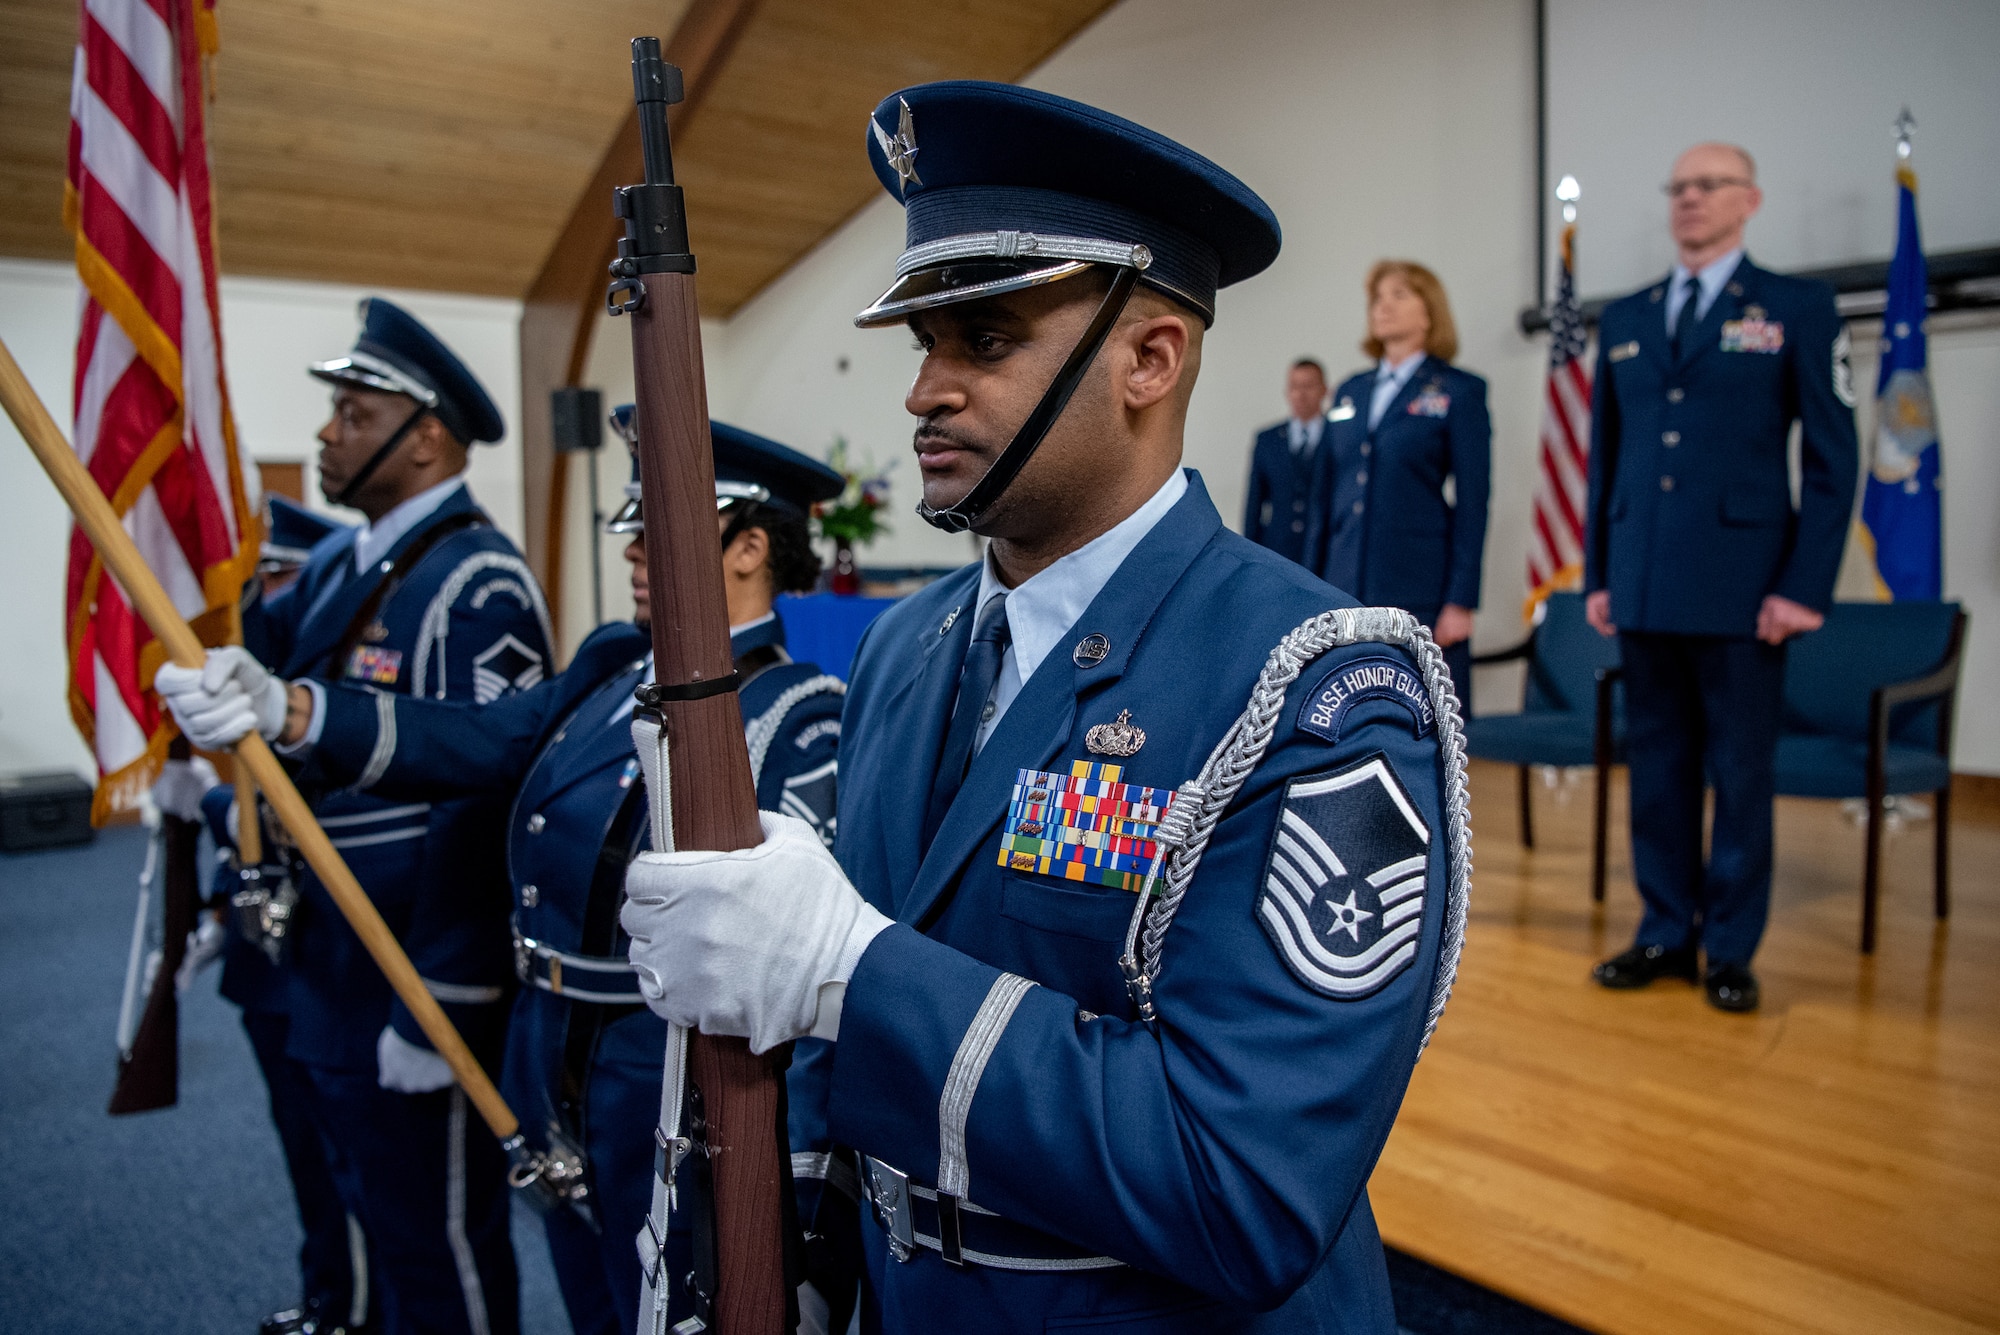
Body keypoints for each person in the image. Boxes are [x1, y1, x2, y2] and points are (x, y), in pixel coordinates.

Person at [615, 81, 1470, 1334]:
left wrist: (852, 971)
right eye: (924, 346)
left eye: (987, 341)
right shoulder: (908, 648)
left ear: (1149, 357)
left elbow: (1241, 1189)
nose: (924, 392)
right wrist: (797, 1245)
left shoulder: (1317, 685)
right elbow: (817, 1036)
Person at [166, 417, 852, 1335]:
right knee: (587, 1291)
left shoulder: (798, 716)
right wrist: (290, 706)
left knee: (669, 1299)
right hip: (545, 1048)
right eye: (633, 524)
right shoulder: (613, 662)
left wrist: (808, 1220)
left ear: (751, 545)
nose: (635, 547)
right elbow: (482, 743)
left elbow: (803, 983)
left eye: (660, 525)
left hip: (665, 1074)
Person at [158, 298, 554, 1335]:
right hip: (323, 957)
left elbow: (489, 787)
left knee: (437, 1245)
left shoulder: (477, 578)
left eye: (353, 412)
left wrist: (449, 995)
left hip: (404, 965)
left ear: (425, 435)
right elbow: (243, 660)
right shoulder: (341, 560)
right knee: (363, 1208)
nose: (329, 432)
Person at [1584, 143, 1858, 1012]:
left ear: (1750, 200)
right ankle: (1665, 929)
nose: (1689, 199)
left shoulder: (1796, 307)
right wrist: (1601, 571)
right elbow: (1608, 460)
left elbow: (1831, 459)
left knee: (1739, 775)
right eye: (1679, 187)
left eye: (1708, 186)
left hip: (1747, 591)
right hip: (1646, 579)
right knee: (1658, 767)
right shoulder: (1628, 316)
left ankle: (1730, 947)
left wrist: (1803, 587)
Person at [155, 495, 374, 1335]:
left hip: (316, 947)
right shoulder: (271, 659)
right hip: (267, 949)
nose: (270, 597)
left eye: (283, 576)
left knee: (337, 1156)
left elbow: (295, 812)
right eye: (265, 576)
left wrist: (211, 805)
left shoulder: (323, 679)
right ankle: (330, 1291)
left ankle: (350, 1306)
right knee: (303, 1149)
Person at [1304, 261, 1490, 705]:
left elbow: (1474, 503)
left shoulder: (1458, 390)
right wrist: (1307, 584)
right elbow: (1321, 497)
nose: (1383, 306)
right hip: (1343, 582)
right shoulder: (1351, 390)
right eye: (1378, 297)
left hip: (1419, 585)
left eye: (1399, 295)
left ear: (1429, 312)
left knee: (1421, 717)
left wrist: (1460, 601)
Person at [1242, 357, 1328, 562]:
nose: (1301, 394)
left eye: (1308, 386)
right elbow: (1254, 502)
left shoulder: (1336, 437)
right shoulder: (1268, 440)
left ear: (1323, 390)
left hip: (1324, 551)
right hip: (1278, 549)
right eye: (1295, 387)